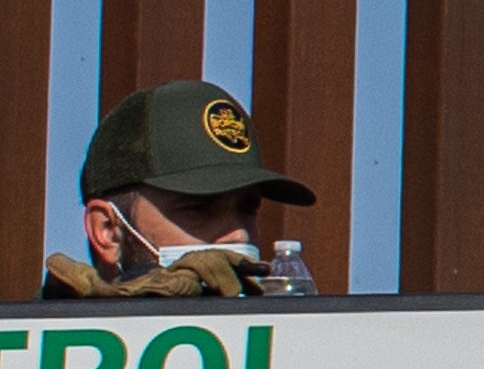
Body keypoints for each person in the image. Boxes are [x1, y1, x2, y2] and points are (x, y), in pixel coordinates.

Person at [45, 79, 313, 299]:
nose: (240, 235)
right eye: (198, 208)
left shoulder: (288, 345)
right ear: (108, 231)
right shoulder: (36, 350)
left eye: (248, 209)